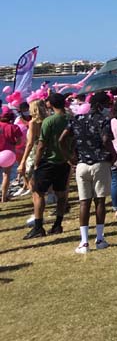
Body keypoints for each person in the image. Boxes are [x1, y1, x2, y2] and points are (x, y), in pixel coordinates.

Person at [62, 90, 115, 253]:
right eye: (107, 104)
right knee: (100, 201)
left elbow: (62, 138)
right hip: (99, 162)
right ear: (100, 106)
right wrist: (113, 154)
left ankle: (84, 242)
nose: (108, 107)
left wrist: (69, 156)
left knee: (84, 202)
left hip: (82, 164)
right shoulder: (103, 121)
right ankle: (99, 238)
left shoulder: (76, 119)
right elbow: (106, 139)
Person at [25, 92, 71, 239]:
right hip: (64, 161)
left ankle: (38, 227)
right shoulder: (71, 118)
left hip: (48, 161)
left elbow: (41, 144)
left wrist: (36, 162)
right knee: (61, 194)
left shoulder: (49, 121)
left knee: (38, 193)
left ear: (50, 104)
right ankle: (58, 224)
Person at [15, 99, 45, 200]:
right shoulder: (47, 119)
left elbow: (30, 143)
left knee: (33, 181)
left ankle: (37, 204)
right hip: (46, 150)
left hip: (34, 152)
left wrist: (23, 161)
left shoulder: (33, 122)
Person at [0, 107, 24, 202]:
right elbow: (19, 142)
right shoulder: (14, 127)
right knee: (6, 175)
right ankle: (3, 197)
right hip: (8, 154)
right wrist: (12, 143)